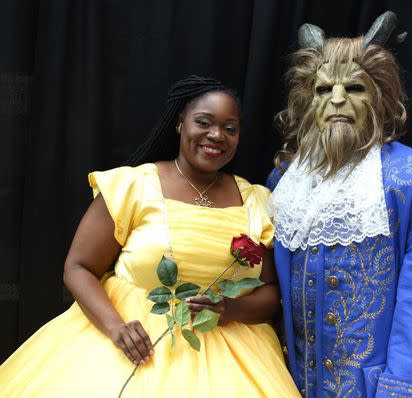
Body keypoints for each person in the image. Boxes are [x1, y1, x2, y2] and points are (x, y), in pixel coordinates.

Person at [0, 75, 300, 397]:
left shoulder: (256, 200)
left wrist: (230, 309)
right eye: (204, 122)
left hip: (232, 355)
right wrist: (117, 329)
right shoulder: (134, 186)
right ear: (179, 124)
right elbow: (78, 267)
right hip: (129, 341)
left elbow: (270, 291)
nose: (217, 135)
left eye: (230, 128)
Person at [266, 12, 412, 398]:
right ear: (308, 101)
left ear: (379, 97)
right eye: (324, 89)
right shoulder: (284, 182)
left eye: (355, 88)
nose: (338, 99)